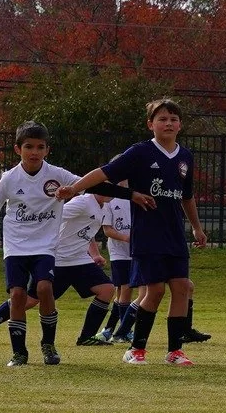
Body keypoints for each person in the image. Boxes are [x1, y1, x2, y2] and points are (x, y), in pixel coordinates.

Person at [58, 98, 209, 367]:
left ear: (180, 124)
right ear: (151, 124)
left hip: (174, 234)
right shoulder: (140, 153)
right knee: (155, 291)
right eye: (162, 119)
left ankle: (175, 351)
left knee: (182, 287)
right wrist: (76, 187)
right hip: (148, 233)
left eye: (173, 119)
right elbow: (103, 173)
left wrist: (196, 227)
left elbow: (187, 197)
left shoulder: (185, 157)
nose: (169, 123)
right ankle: (136, 348)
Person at [0, 122, 81, 368]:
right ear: (17, 149)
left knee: (44, 289)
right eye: (28, 147)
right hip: (16, 247)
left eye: (40, 147)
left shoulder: (58, 175)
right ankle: (19, 353)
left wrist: (130, 194)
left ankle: (48, 345)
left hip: (45, 246)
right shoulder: (9, 179)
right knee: (18, 295)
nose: (34, 152)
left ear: (47, 150)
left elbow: (90, 184)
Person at [51, 189, 121, 346]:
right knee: (29, 300)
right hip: (60, 260)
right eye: (108, 186)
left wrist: (95, 254)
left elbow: (87, 231)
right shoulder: (82, 202)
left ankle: (86, 337)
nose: (112, 190)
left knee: (107, 289)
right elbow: (53, 216)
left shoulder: (102, 206)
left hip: (80, 260)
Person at [97, 189, 136, 343]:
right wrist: (127, 238)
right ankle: (124, 332)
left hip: (136, 251)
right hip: (119, 253)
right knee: (125, 288)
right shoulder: (109, 200)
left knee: (121, 292)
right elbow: (107, 230)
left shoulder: (136, 196)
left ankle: (109, 329)